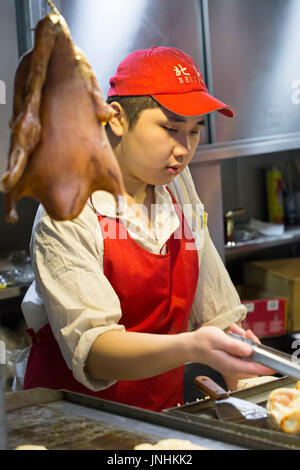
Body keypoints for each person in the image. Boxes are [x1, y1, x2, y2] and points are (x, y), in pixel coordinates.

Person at [17, 47, 273, 411]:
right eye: (170, 129)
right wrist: (194, 346)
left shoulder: (177, 186)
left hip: (162, 413)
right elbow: (95, 351)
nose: (184, 150)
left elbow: (214, 303)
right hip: (77, 419)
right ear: (118, 118)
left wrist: (246, 376)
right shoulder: (67, 212)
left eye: (194, 132)